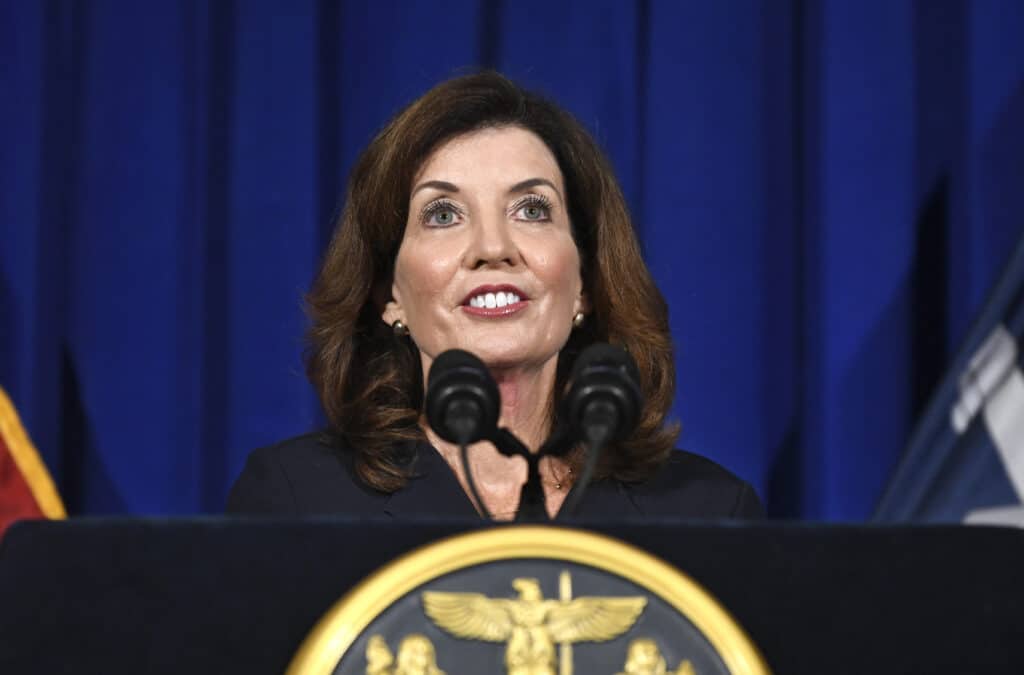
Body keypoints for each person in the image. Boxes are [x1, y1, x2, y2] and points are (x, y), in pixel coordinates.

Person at [226, 71, 763, 520]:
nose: (492, 248)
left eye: (531, 210)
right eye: (443, 215)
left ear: (587, 283)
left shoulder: (709, 513)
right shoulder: (297, 501)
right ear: (388, 293)